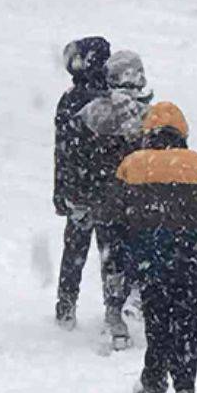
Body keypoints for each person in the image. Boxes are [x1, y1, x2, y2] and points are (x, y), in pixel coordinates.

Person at [116, 102, 197, 393]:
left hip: (149, 266)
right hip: (188, 265)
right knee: (186, 333)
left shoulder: (132, 165)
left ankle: (153, 383)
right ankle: (185, 386)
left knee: (158, 331)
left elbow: (114, 221)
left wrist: (117, 266)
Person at [77, 50, 154, 347]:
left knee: (111, 258)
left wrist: (79, 194)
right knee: (141, 253)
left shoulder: (93, 112)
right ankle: (140, 303)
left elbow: (78, 156)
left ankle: (114, 313)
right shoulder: (148, 115)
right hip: (138, 199)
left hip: (104, 198)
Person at [54, 36, 131, 334]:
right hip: (108, 191)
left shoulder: (73, 99)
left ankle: (66, 306)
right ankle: (113, 308)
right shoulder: (116, 99)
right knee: (112, 253)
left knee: (75, 250)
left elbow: (62, 150)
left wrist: (61, 190)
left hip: (80, 189)